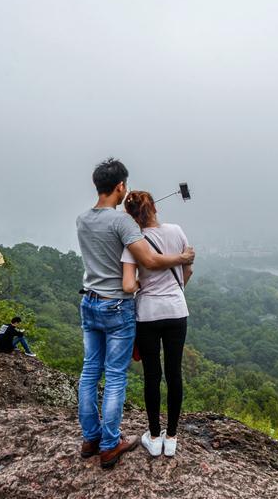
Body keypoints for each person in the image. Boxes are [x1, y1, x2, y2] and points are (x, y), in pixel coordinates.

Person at [76, 158, 195, 469]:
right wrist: (182, 257)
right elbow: (151, 263)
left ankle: (90, 437)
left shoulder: (82, 220)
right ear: (119, 186)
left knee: (91, 371)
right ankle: (111, 442)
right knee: (117, 375)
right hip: (118, 305)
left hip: (89, 301)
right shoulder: (124, 225)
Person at [121, 191, 193, 458]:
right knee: (174, 373)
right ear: (153, 208)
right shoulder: (176, 231)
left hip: (148, 313)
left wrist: (147, 285)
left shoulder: (133, 241)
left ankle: (153, 436)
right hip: (176, 310)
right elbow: (189, 267)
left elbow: (129, 284)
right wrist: (176, 291)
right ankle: (171, 438)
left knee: (153, 375)